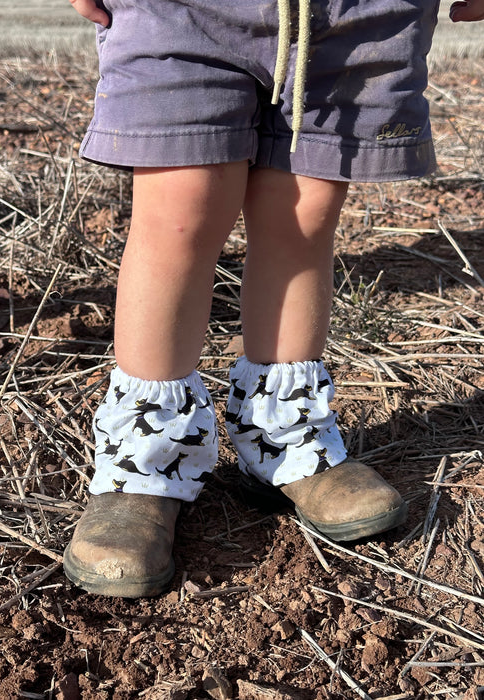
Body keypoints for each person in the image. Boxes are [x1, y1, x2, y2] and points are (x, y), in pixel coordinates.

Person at [63, 0, 484, 598]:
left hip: (357, 15)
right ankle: (143, 461)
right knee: (179, 212)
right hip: (183, 10)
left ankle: (283, 433)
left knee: (302, 217)